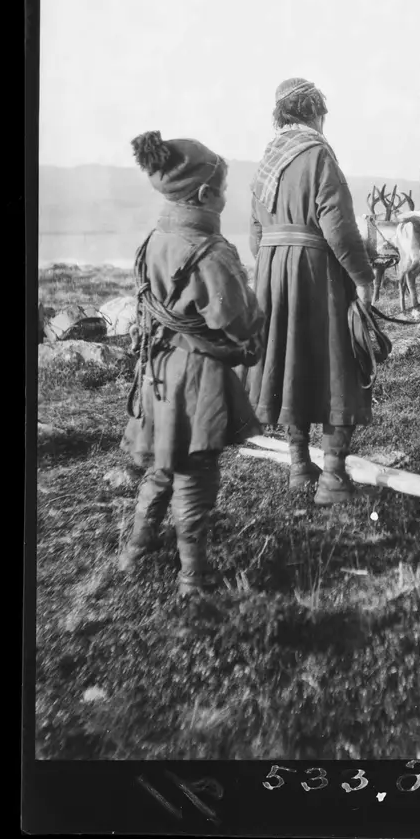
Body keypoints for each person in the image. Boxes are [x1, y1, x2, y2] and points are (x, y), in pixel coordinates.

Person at [119, 131, 264, 596]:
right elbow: (238, 323)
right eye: (222, 190)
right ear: (206, 195)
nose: (224, 198)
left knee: (163, 464)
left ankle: (135, 550)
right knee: (195, 474)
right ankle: (192, 578)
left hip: (157, 373)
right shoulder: (212, 252)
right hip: (196, 378)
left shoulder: (153, 240)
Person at [243, 77, 375, 505]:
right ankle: (333, 479)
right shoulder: (317, 153)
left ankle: (300, 466)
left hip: (272, 273)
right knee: (340, 363)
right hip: (315, 273)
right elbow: (337, 226)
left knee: (288, 366)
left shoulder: (266, 161)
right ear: (314, 111)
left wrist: (274, 264)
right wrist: (362, 277)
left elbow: (254, 235)